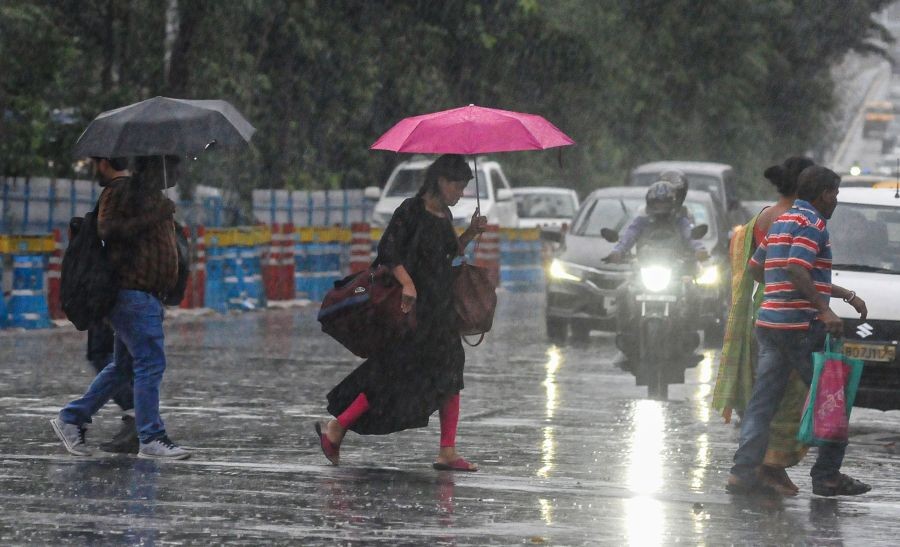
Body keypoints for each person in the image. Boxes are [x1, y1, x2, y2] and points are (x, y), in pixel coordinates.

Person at [316, 154, 487, 471]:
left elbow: (450, 252)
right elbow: (388, 253)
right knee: (389, 375)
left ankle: (447, 451)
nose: (461, 193)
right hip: (412, 311)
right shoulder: (409, 211)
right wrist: (408, 284)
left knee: (451, 372)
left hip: (441, 309)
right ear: (441, 181)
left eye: (464, 188)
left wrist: (471, 233)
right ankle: (337, 428)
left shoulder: (445, 215)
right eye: (458, 186)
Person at [727, 166, 871, 497]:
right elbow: (796, 267)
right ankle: (827, 476)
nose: (836, 200)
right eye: (835, 193)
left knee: (762, 403)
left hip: (771, 325)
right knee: (830, 397)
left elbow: (757, 268)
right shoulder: (813, 224)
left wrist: (843, 294)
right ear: (823, 194)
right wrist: (823, 309)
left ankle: (742, 472)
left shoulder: (783, 222)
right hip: (801, 327)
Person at [51, 156, 189, 460]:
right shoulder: (122, 191)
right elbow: (108, 229)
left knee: (124, 366)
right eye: (174, 167)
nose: (178, 173)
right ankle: (151, 436)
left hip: (148, 295)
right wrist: (156, 214)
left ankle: (72, 418)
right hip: (131, 293)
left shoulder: (154, 199)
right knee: (150, 362)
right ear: (155, 168)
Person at [713, 156, 814, 495]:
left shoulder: (760, 218)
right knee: (790, 393)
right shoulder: (793, 220)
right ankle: (771, 464)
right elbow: (796, 269)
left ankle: (753, 468)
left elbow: (756, 269)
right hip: (787, 315)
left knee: (764, 395)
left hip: (761, 310)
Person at [604, 180, 708, 263]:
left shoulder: (680, 222)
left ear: (673, 204)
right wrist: (618, 251)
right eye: (657, 203)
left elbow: (689, 234)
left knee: (695, 285)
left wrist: (700, 249)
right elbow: (629, 235)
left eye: (665, 203)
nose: (661, 207)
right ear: (650, 203)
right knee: (630, 286)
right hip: (645, 267)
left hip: (676, 268)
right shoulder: (641, 221)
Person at [86, 322, 138, 453]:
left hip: (112, 305)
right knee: (120, 355)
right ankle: (138, 416)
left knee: (103, 353)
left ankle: (137, 414)